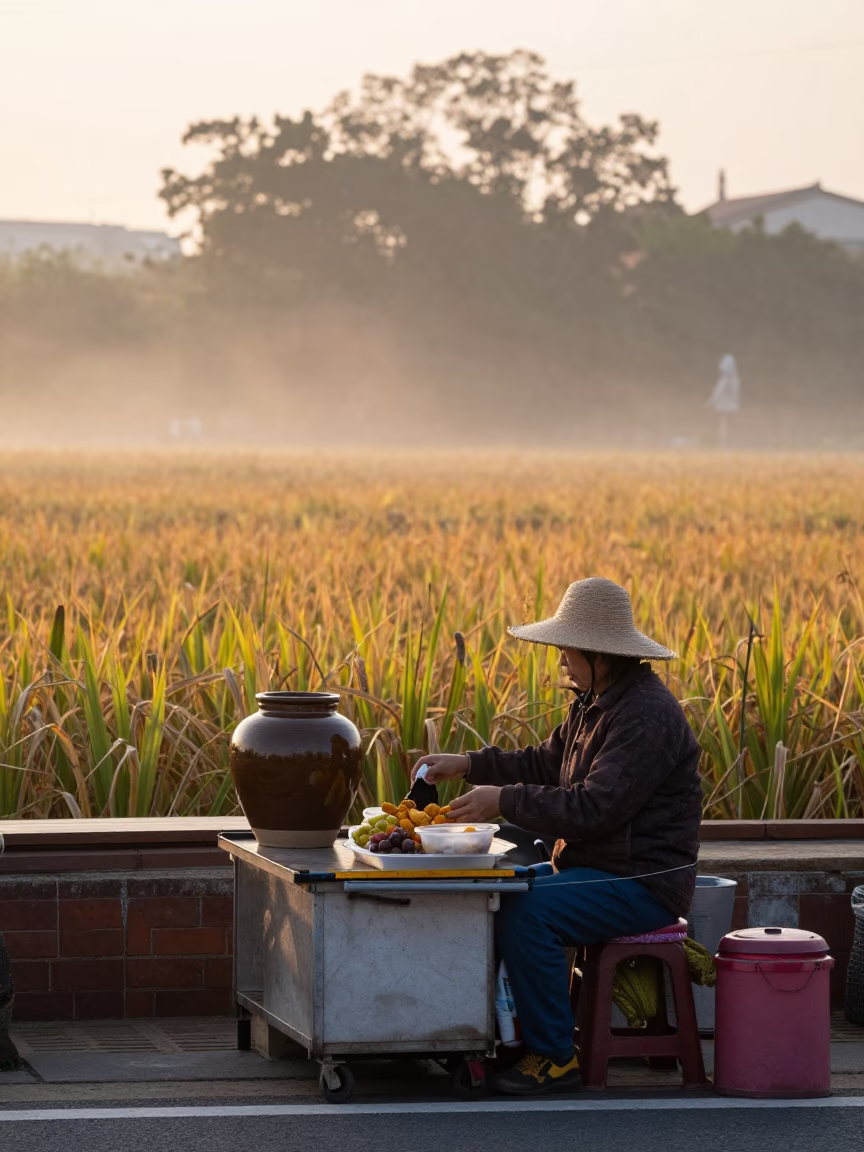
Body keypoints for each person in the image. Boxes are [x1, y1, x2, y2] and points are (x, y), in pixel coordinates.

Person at [411, 577, 702, 1096]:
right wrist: (470, 764)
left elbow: (595, 808)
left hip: (641, 881)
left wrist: (502, 800)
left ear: (599, 653)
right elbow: (547, 763)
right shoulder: (596, 702)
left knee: (527, 910)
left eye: (567, 650)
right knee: (499, 893)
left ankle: (552, 1056)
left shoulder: (646, 716)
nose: (561, 661)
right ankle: (514, 1035)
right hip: (599, 870)